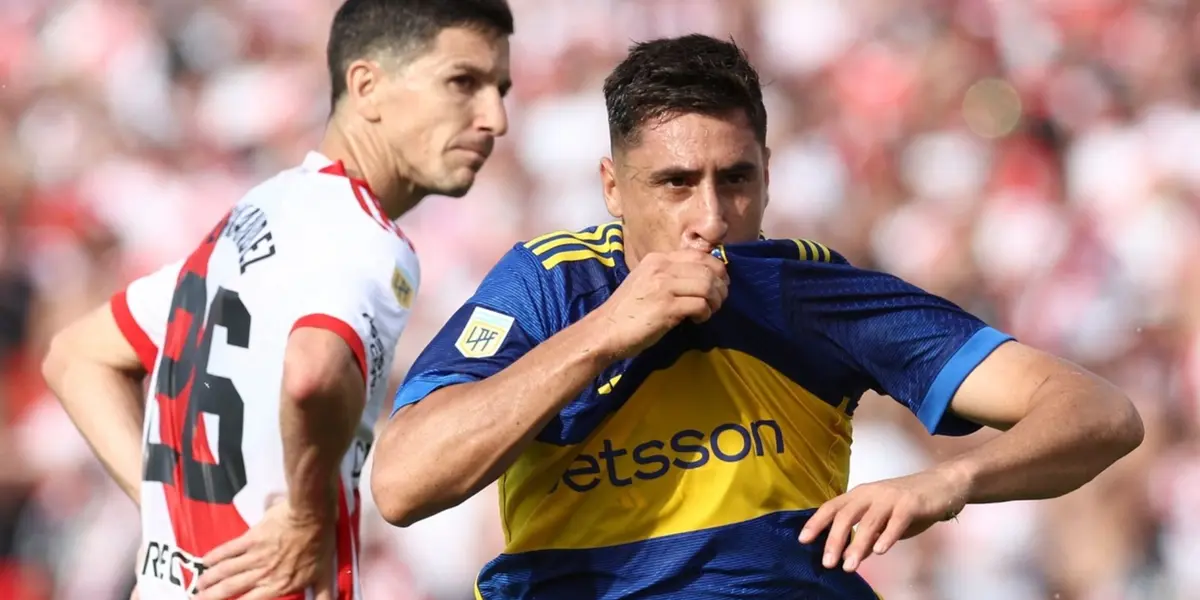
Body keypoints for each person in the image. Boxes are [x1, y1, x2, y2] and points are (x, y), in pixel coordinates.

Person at [369, 33, 1144, 599]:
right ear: (613, 187)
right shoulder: (550, 287)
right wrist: (608, 330)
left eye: (734, 179)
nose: (710, 216)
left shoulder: (806, 292)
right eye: (674, 183)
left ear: (768, 177)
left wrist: (951, 480)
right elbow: (403, 485)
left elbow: (1100, 413)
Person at [39, 0, 513, 598]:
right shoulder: (364, 236)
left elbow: (75, 357)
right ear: (367, 85)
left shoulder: (260, 214)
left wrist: (166, 510)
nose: (494, 117)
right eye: (463, 83)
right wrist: (307, 515)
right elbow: (313, 372)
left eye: (500, 88)